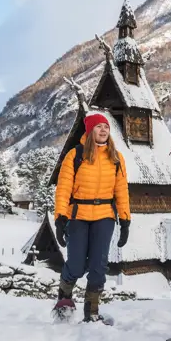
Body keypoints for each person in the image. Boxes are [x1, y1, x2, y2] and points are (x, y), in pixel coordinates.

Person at [52, 113, 130, 322]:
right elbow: (63, 188)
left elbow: (121, 190)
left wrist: (125, 220)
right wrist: (60, 218)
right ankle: (65, 295)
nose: (103, 130)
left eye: (106, 127)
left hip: (105, 215)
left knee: (98, 267)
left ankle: (91, 313)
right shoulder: (75, 155)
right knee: (76, 265)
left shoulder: (116, 158)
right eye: (98, 127)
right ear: (89, 131)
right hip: (78, 215)